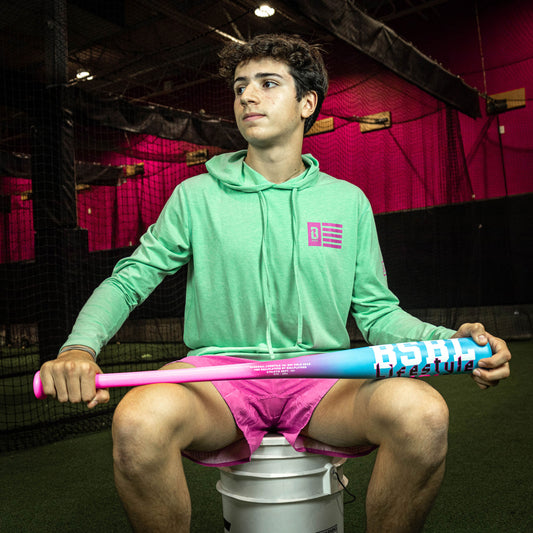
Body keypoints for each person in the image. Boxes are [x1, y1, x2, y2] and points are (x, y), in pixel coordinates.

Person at [39, 34, 511, 532]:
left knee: (424, 415)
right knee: (137, 422)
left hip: (325, 381)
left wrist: (450, 343)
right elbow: (129, 281)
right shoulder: (195, 196)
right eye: (240, 86)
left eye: (267, 83)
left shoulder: (347, 201)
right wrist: (79, 349)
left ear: (307, 103)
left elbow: (376, 313)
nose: (247, 96)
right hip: (217, 380)